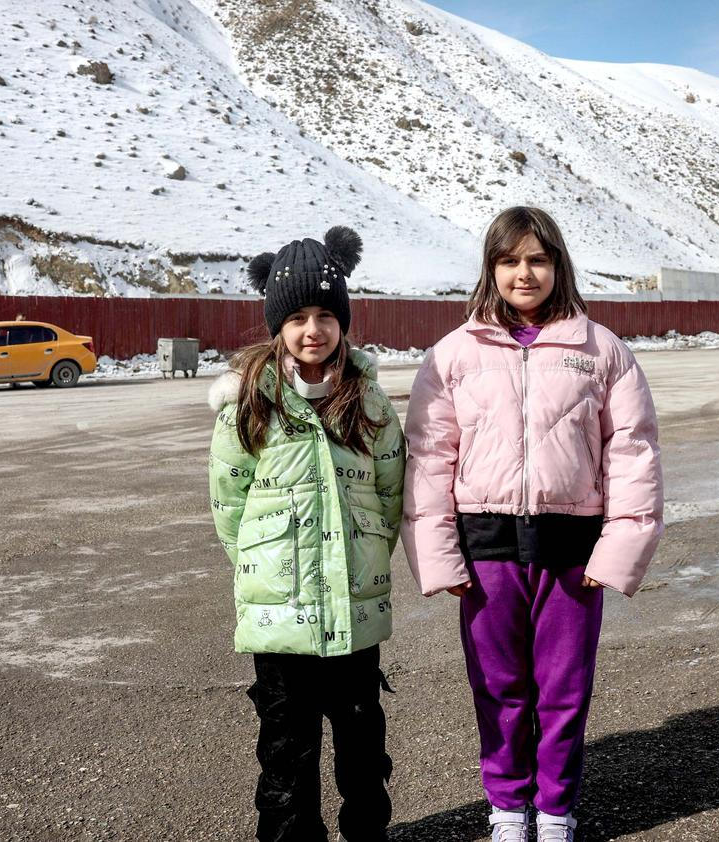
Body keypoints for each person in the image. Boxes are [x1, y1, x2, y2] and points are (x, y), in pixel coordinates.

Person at [402, 207, 664, 842]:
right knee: (498, 689)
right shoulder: (453, 356)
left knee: (563, 691)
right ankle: (507, 810)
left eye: (538, 259)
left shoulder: (601, 350)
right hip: (485, 550)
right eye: (511, 260)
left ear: (559, 266)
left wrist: (618, 550)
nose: (525, 272)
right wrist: (439, 557)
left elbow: (632, 452)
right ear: (492, 269)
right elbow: (428, 459)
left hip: (573, 551)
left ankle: (553, 811)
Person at [207, 226, 405, 841]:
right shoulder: (250, 406)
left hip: (354, 611)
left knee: (362, 745)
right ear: (277, 325)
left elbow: (391, 494)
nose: (312, 329)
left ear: (343, 320)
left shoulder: (368, 404)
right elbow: (229, 504)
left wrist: (366, 559)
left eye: (325, 314)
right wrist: (263, 571)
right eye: (296, 316)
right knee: (285, 753)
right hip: (279, 616)